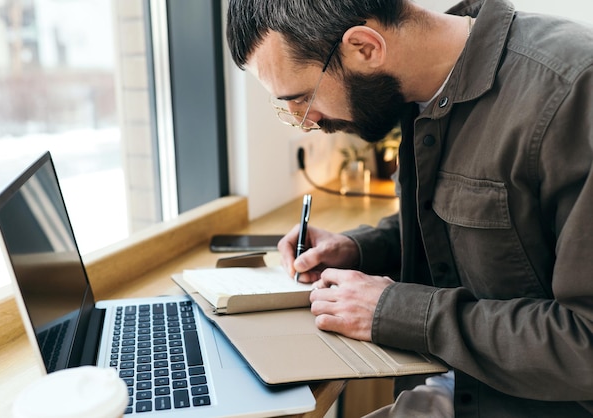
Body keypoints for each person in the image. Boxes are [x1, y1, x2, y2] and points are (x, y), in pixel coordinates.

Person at [226, 0, 593, 416]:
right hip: (459, 385)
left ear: (365, 47)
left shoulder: (573, 90)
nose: (307, 122)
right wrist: (362, 248)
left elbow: (586, 344)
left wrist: (394, 312)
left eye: (303, 100)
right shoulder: (414, 92)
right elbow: (470, 232)